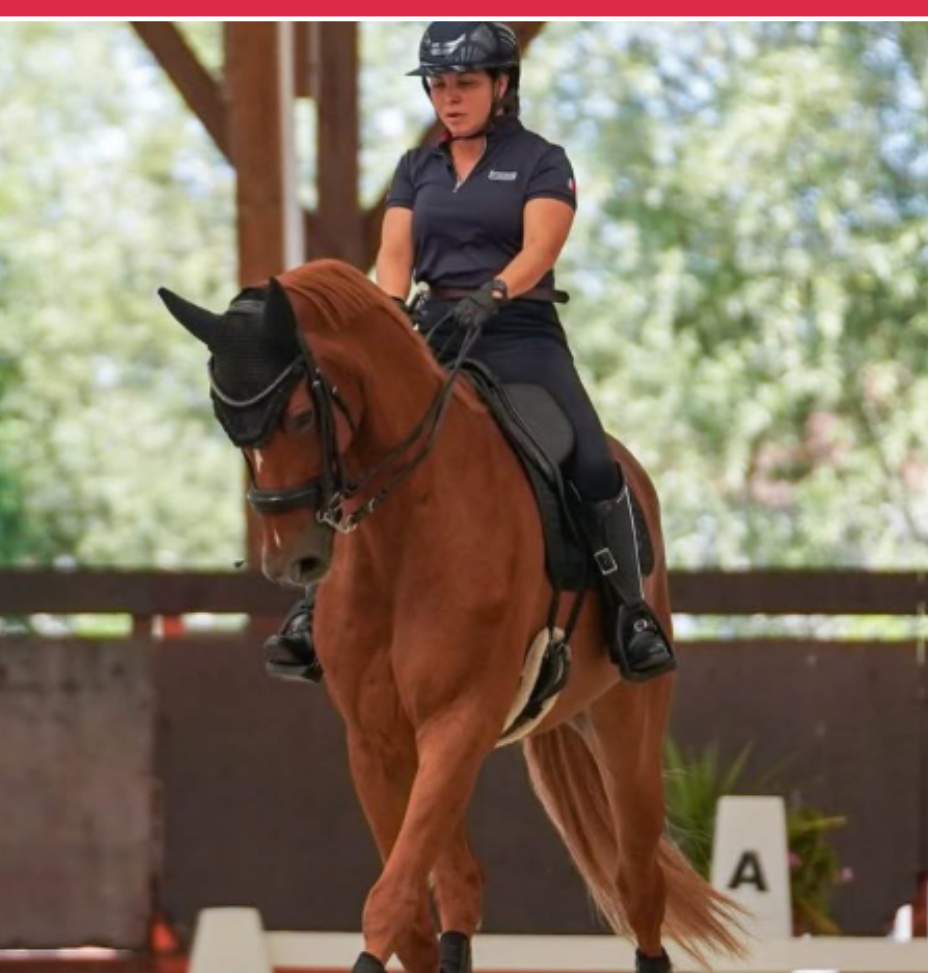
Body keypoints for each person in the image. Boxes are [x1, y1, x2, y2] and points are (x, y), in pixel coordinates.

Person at [264, 20, 675, 685]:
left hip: (520, 332)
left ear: (501, 85)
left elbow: (541, 246)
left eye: (465, 84)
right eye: (440, 85)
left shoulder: (542, 161)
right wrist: (389, 319)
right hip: (429, 335)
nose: (450, 98)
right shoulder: (417, 169)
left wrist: (493, 294)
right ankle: (315, 608)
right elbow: (393, 260)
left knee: (595, 462)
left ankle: (630, 614)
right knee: (351, 447)